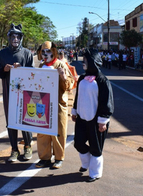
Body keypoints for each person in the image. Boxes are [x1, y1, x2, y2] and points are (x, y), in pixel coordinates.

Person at [0, 23, 34, 162]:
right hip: (9, 93)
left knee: (26, 120)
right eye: (12, 36)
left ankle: (28, 147)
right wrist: (4, 69)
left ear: (21, 38)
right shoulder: (2, 54)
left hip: (25, 94)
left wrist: (22, 69)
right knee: (11, 121)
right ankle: (14, 149)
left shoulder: (27, 53)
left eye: (18, 36)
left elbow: (33, 74)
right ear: (9, 38)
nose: (15, 39)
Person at [71, 48, 114, 182]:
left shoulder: (102, 81)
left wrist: (103, 121)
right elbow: (78, 96)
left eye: (85, 61)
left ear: (93, 62)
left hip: (96, 120)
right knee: (78, 143)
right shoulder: (82, 78)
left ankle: (95, 173)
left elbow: (106, 102)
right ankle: (87, 163)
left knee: (96, 148)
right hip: (82, 118)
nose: (83, 63)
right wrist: (74, 111)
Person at [35, 41, 75, 169]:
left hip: (58, 104)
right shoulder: (41, 66)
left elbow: (70, 83)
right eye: (43, 52)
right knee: (42, 132)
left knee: (59, 131)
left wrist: (63, 77)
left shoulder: (61, 65)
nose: (46, 55)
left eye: (48, 52)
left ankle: (59, 157)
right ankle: (44, 158)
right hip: (43, 103)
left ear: (54, 52)